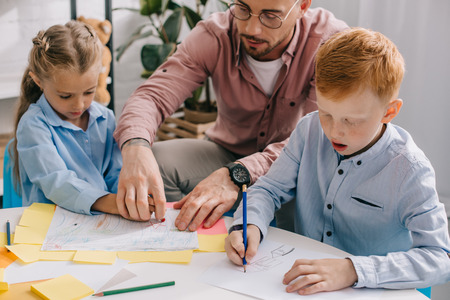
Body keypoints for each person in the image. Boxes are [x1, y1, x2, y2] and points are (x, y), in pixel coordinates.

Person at [224, 27, 450, 294]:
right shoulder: (309, 130)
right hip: (301, 285)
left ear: (389, 111)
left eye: (351, 121)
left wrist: (353, 269)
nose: (334, 131)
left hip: (374, 290)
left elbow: (439, 258)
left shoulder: (410, 170)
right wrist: (249, 224)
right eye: (326, 113)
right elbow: (270, 189)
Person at [113, 0, 348, 229]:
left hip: (294, 166)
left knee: (304, 216)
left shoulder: (331, 42)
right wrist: (135, 147)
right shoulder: (215, 34)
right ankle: (180, 243)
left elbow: (314, 137)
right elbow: (152, 96)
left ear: (302, 7)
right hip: (226, 152)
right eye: (243, 8)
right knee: (157, 159)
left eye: (270, 15)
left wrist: (237, 174)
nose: (251, 29)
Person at [12, 21, 123, 216]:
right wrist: (113, 203)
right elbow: (57, 183)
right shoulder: (33, 125)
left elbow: (116, 173)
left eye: (89, 92)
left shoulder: (106, 118)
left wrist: (129, 196)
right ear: (38, 81)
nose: (79, 105)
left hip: (102, 223)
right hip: (50, 226)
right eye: (65, 96)